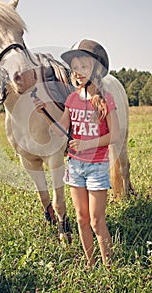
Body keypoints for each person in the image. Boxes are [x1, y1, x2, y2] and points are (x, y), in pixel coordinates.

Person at [33, 39, 120, 267]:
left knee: (96, 220)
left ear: (96, 70)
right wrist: (44, 113)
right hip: (75, 167)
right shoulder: (71, 99)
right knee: (81, 219)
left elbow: (115, 136)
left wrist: (87, 144)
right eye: (76, 68)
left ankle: (109, 267)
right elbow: (61, 130)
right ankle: (91, 265)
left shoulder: (105, 100)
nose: (78, 72)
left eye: (84, 67)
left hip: (96, 167)